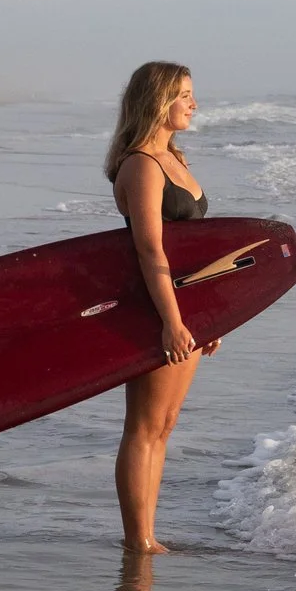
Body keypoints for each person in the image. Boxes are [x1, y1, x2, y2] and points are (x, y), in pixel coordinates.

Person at [105, 60, 217, 554]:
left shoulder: (175, 157)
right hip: (157, 311)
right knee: (145, 427)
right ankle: (138, 540)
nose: (194, 103)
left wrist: (215, 316)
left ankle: (147, 534)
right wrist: (172, 322)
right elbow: (152, 251)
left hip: (185, 311)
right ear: (158, 101)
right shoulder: (141, 165)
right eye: (185, 94)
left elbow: (195, 251)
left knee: (164, 427)